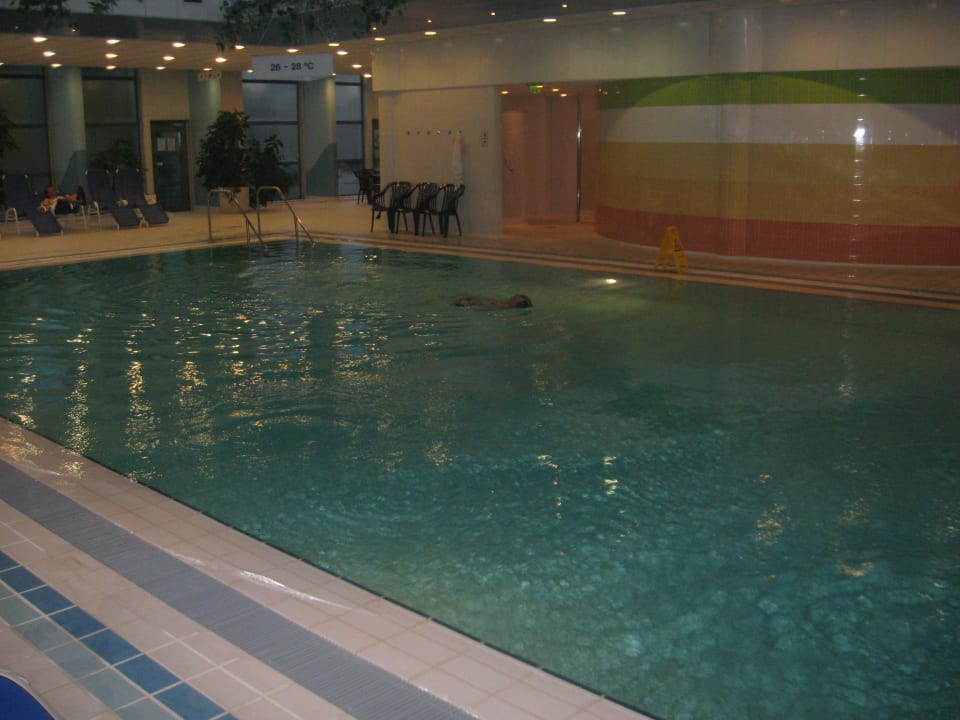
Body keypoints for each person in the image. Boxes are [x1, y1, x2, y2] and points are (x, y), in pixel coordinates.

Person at [453, 294, 533, 309]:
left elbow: (483, 309)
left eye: (517, 297)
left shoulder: (501, 307)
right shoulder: (503, 304)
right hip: (471, 301)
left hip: (469, 303)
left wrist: (469, 305)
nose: (515, 295)